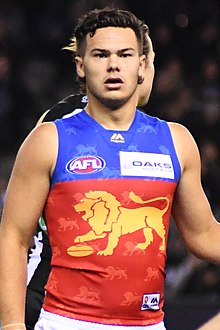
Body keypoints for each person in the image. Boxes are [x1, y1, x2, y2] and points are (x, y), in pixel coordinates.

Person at [1, 7, 220, 330]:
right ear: (81, 65)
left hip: (147, 323)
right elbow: (13, 237)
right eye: (101, 55)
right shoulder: (51, 137)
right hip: (62, 317)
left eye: (126, 54)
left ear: (142, 65)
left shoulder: (176, 140)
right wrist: (11, 325)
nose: (114, 65)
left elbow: (203, 233)